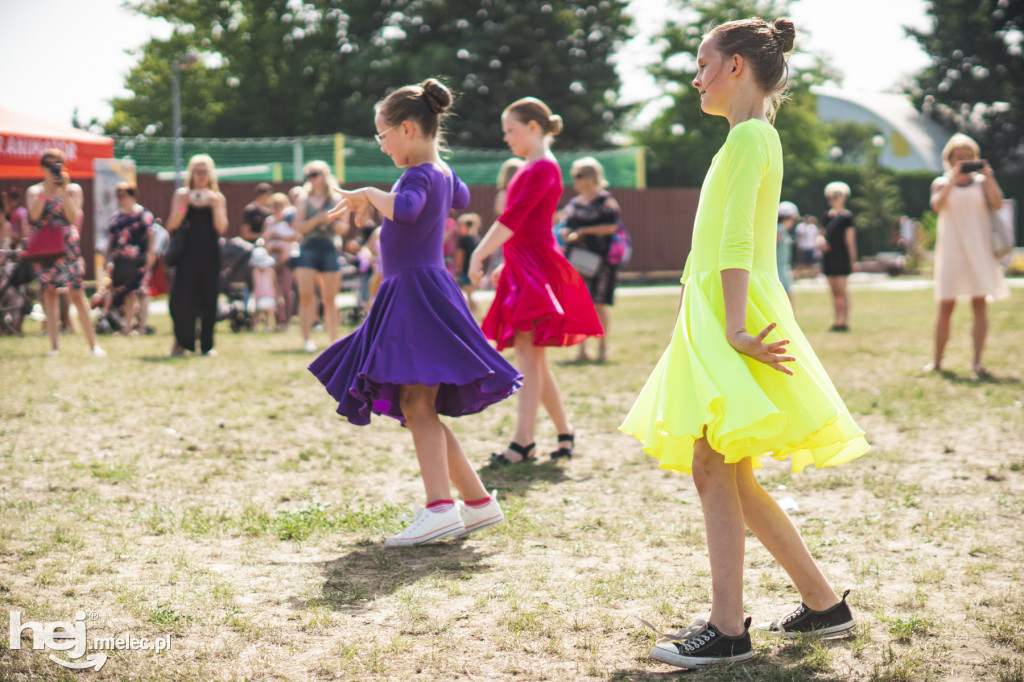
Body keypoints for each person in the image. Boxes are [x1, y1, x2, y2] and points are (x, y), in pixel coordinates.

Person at [619, 18, 869, 670]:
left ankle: (728, 629)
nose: (695, 75)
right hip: (717, 310)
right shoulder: (749, 138)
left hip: (733, 313)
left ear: (735, 67)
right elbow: (717, 245)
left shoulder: (749, 138)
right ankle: (823, 605)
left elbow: (733, 243)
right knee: (731, 472)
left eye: (703, 62)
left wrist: (730, 326)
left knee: (713, 466)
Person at [308, 78, 521, 546]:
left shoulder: (418, 175)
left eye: (383, 136)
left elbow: (406, 210)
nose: (382, 146)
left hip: (416, 294)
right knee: (419, 405)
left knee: (416, 405)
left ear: (406, 128)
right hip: (425, 290)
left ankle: (440, 508)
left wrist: (368, 192)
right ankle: (478, 502)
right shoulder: (438, 171)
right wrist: (425, 170)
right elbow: (459, 197)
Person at [469, 97, 603, 464]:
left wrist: (479, 253)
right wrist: (505, 262)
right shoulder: (532, 166)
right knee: (533, 360)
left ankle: (523, 441)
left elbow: (512, 218)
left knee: (528, 358)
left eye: (511, 130)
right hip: (523, 263)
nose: (506, 137)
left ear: (533, 127)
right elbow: (519, 225)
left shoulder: (542, 167)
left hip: (535, 265)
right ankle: (563, 432)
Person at [926, 133, 1008, 378]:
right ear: (949, 159)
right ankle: (937, 360)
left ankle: (977, 361)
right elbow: (936, 205)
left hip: (978, 250)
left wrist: (990, 178)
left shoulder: (982, 183)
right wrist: (952, 180)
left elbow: (998, 203)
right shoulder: (941, 182)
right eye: (959, 157)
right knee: (946, 306)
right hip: (952, 251)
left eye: (968, 156)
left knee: (980, 305)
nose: (964, 160)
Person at [25, 149, 105, 357]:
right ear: (42, 168)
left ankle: (93, 345)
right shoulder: (34, 191)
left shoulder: (73, 190)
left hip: (67, 246)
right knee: (49, 294)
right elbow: (33, 216)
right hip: (44, 248)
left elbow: (72, 217)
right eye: (49, 165)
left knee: (77, 293)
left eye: (57, 164)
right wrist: (47, 190)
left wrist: (62, 189)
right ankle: (54, 346)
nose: (53, 168)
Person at [166, 154, 229, 357]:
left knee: (209, 298)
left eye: (205, 172)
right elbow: (172, 225)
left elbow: (221, 227)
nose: (201, 176)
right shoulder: (182, 194)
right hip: (187, 254)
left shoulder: (217, 197)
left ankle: (207, 345)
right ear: (191, 174)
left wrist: (215, 205)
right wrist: (184, 204)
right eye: (198, 172)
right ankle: (183, 341)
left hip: (210, 254)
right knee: (181, 299)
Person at [561, 156, 621, 363]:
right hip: (576, 262)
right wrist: (567, 232)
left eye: (578, 175)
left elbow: (612, 227)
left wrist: (584, 231)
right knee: (579, 305)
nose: (575, 180)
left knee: (599, 304)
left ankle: (603, 348)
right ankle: (582, 349)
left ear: (590, 176)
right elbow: (565, 225)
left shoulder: (606, 201)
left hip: (600, 263)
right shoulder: (574, 204)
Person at [294, 160, 344, 352]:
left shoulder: (335, 199)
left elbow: (343, 227)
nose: (312, 179)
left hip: (330, 247)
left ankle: (333, 341)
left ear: (324, 175)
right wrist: (317, 219)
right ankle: (307, 339)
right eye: (309, 175)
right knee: (306, 296)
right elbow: (299, 227)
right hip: (308, 247)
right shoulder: (303, 199)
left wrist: (329, 221)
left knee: (330, 298)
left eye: (315, 174)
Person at [104, 182, 156, 335]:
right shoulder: (116, 217)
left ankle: (141, 327)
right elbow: (111, 240)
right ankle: (127, 326)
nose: (121, 199)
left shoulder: (142, 214)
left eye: (124, 195)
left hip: (139, 260)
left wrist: (150, 254)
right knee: (127, 292)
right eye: (118, 196)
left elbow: (151, 235)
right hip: (121, 261)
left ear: (132, 196)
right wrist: (108, 260)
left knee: (142, 292)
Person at [482, 158, 524, 288]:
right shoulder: (518, 194)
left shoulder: (501, 194)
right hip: (514, 237)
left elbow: (499, 211)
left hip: (503, 238)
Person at [820, 181, 856, 331]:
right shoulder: (826, 217)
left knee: (841, 291)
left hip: (842, 258)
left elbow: (850, 241)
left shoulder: (847, 218)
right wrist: (821, 243)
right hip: (829, 257)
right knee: (833, 292)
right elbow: (821, 235)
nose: (833, 200)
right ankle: (836, 319)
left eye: (836, 196)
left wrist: (853, 260)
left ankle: (843, 320)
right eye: (831, 197)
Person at [264, 192, 299, 330]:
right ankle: (278, 320)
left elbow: (297, 236)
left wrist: (280, 238)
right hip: (272, 258)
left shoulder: (290, 220)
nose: (277, 208)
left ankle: (287, 320)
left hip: (286, 260)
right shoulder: (269, 221)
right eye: (274, 205)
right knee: (274, 290)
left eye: (280, 205)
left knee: (287, 290)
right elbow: (266, 238)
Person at [453, 212, 481, 313]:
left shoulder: (463, 240)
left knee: (465, 294)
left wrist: (458, 268)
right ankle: (474, 312)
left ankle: (473, 313)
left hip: (465, 271)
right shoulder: (475, 239)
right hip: (473, 269)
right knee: (469, 294)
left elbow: (460, 255)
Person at [250, 246, 278, 332]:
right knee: (256, 312)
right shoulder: (255, 272)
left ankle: (268, 326)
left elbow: (275, 284)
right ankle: (254, 327)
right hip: (259, 295)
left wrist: (276, 295)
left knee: (268, 312)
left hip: (269, 294)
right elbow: (254, 284)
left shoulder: (270, 271)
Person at [776, 200, 798, 306]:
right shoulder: (779, 230)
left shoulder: (782, 230)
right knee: (786, 296)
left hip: (783, 267)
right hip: (778, 268)